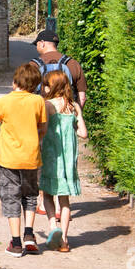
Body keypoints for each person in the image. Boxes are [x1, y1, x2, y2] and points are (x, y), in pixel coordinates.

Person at [0, 63, 48, 257]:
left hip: (9, 160)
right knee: (30, 195)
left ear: (15, 81)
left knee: (10, 197)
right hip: (31, 157)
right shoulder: (38, 101)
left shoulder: (3, 101)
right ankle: (29, 235)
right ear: (35, 84)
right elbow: (43, 128)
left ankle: (15, 243)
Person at [39, 69, 86, 252]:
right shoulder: (73, 106)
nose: (44, 87)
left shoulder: (48, 105)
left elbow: (42, 131)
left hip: (52, 156)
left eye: (46, 84)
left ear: (52, 86)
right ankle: (64, 241)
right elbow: (83, 133)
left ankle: (53, 228)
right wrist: (70, 130)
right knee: (64, 200)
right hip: (68, 160)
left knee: (48, 195)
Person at [32, 29, 87, 108]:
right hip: (66, 115)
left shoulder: (33, 65)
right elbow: (82, 97)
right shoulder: (73, 64)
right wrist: (76, 115)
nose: (36, 48)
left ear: (42, 43)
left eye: (36, 44)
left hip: (42, 116)